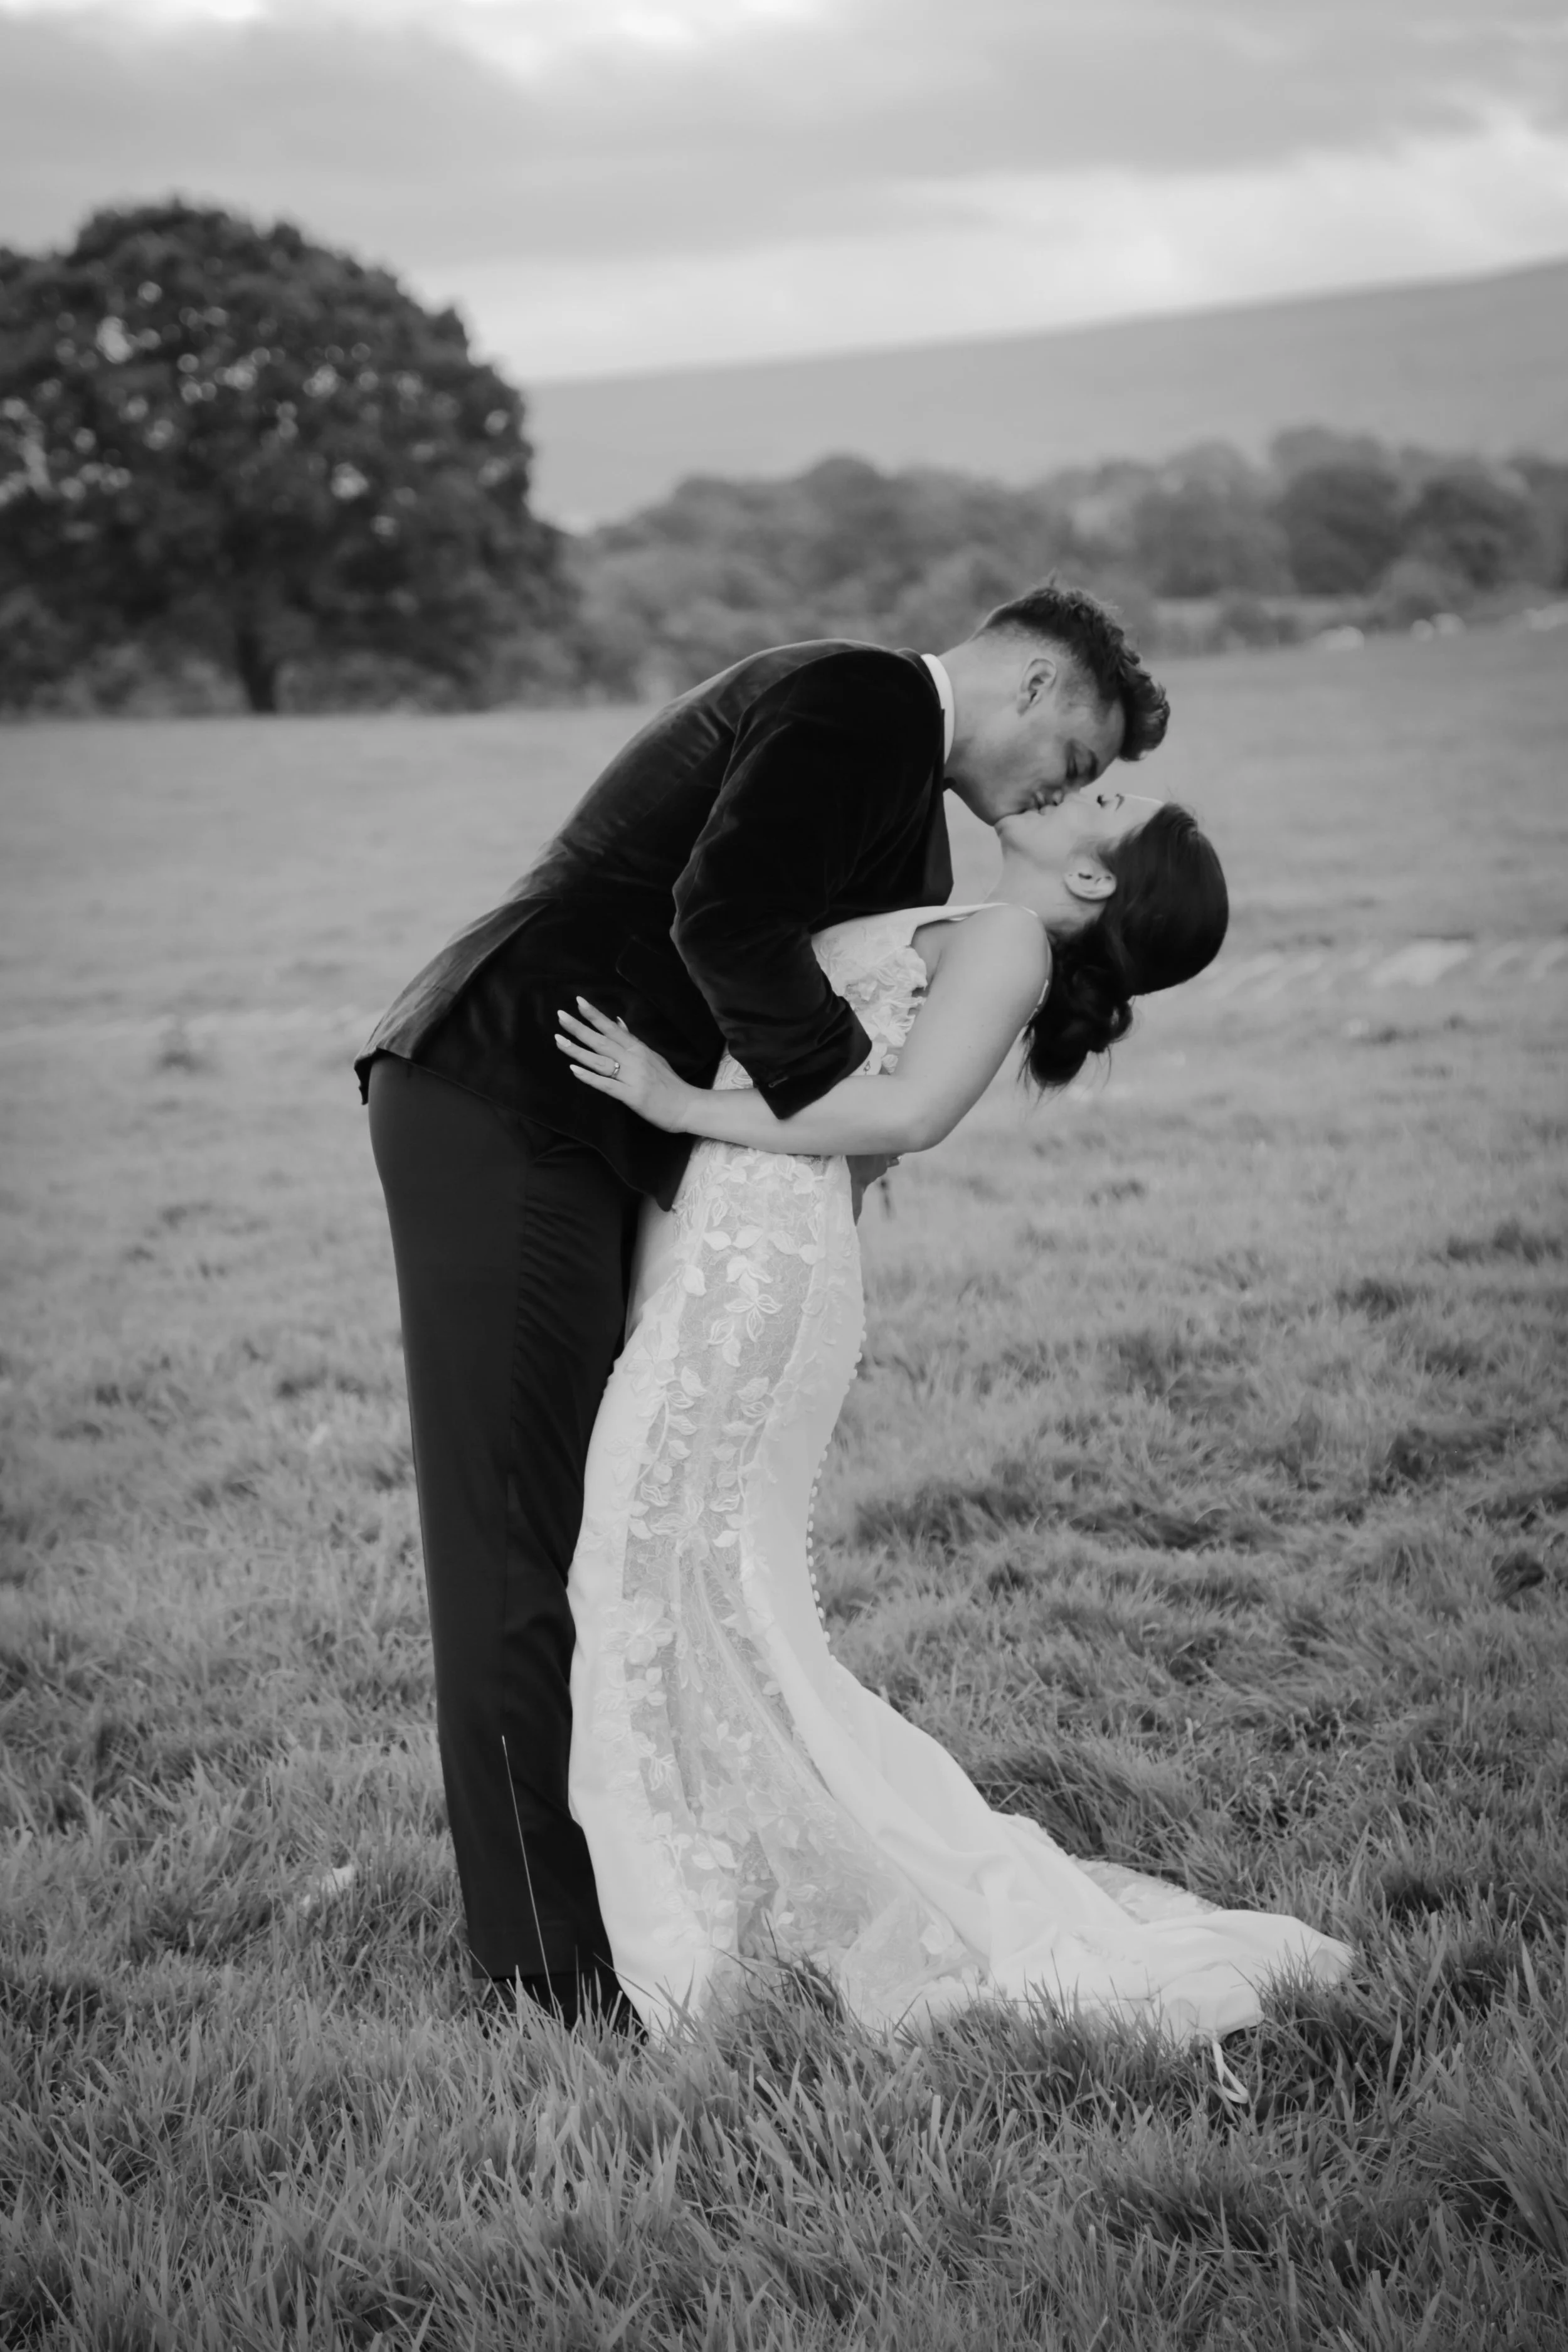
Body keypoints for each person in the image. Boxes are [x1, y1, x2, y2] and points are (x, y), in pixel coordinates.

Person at [358, 584, 1169, 2028]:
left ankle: (616, 1894)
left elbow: (860, 1037)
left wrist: (786, 1191)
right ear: (1037, 683)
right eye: (1075, 756)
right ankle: (544, 1961)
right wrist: (810, 1122)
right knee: (514, 1530)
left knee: (603, 1525)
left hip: (612, 1139)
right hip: (508, 1087)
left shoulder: (917, 822)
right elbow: (725, 918)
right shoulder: (859, 696)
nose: (1061, 791)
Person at [553, 788, 1353, 2045]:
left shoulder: (1012, 941)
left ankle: (690, 1952)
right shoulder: (977, 921)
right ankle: (726, 1898)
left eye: (1105, 801)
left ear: (1094, 881)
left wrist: (674, 1103)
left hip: (754, 1259)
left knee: (646, 1574)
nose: (1080, 785)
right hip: (733, 1238)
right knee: (683, 1586)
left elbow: (906, 1114)